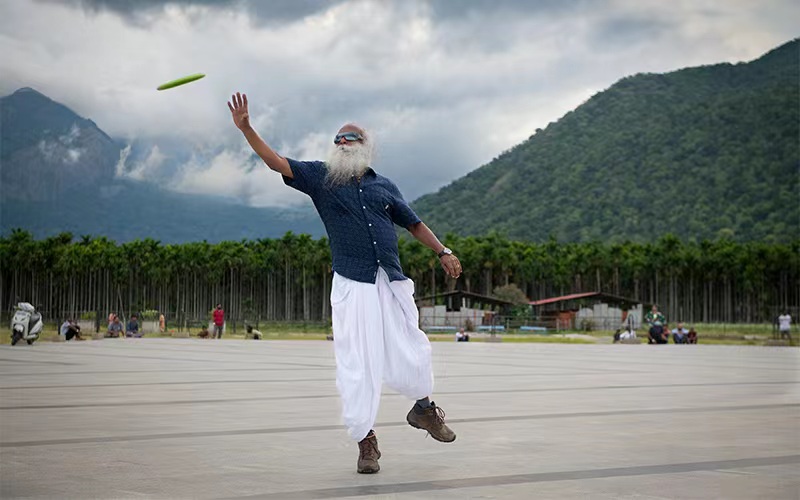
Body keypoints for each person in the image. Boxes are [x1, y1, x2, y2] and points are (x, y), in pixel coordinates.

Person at [229, 92, 460, 474]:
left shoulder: (384, 186)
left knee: (414, 348)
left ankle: (423, 410)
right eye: (337, 138)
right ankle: (366, 442)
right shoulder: (320, 177)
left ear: (365, 147)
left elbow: (414, 223)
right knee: (357, 363)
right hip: (353, 283)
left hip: (391, 279)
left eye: (349, 137)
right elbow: (275, 162)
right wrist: (247, 129)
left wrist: (443, 251)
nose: (341, 142)